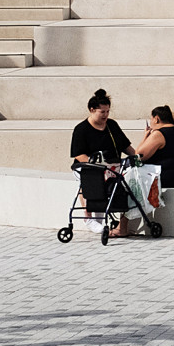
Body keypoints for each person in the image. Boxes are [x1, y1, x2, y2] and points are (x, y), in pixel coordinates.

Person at [70, 89, 134, 238]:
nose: (105, 115)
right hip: (88, 167)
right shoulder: (81, 129)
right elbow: (79, 154)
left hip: (111, 167)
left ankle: (103, 220)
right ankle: (88, 217)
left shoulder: (112, 125)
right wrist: (96, 165)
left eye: (107, 111)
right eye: (102, 112)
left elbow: (126, 146)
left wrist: (137, 157)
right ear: (92, 110)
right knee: (91, 181)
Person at [134, 105, 174, 197]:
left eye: (151, 119)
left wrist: (145, 136)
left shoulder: (159, 134)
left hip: (166, 176)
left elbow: (139, 155)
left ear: (156, 119)